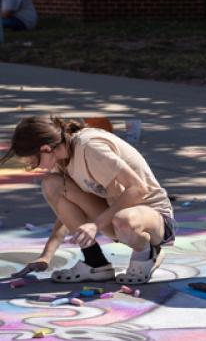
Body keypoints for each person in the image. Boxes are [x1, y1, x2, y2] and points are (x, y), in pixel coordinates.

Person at [1, 116, 174, 284]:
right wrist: (46, 255)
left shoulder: (90, 147)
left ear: (46, 148)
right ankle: (96, 263)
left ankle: (149, 252)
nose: (34, 167)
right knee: (51, 184)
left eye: (32, 161)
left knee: (124, 219)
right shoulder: (61, 157)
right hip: (118, 220)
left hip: (153, 219)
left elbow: (138, 189)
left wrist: (96, 225)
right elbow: (66, 210)